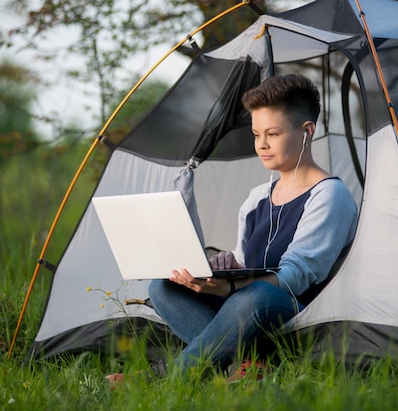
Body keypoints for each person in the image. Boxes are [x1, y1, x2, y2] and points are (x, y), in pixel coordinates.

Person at [107, 73, 358, 385]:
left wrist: (231, 288)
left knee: (254, 297)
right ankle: (251, 363)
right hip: (246, 308)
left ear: (306, 131)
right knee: (163, 287)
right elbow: (246, 264)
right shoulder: (256, 199)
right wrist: (225, 269)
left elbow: (298, 275)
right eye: (256, 134)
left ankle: (165, 377)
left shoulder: (330, 195)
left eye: (273, 134)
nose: (262, 145)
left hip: (297, 314)